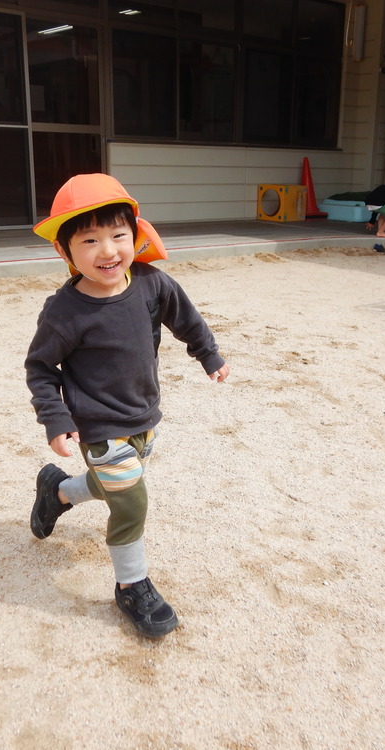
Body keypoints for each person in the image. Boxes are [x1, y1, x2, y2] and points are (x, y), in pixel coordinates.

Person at [25, 173, 230, 639]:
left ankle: (56, 492)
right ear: (66, 252)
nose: (108, 250)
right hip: (97, 425)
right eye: (90, 240)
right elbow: (40, 368)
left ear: (135, 236)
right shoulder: (65, 311)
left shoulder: (153, 284)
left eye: (118, 235)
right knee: (131, 500)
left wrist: (209, 355)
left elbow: (187, 320)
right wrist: (55, 419)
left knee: (115, 484)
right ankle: (131, 585)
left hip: (144, 417)